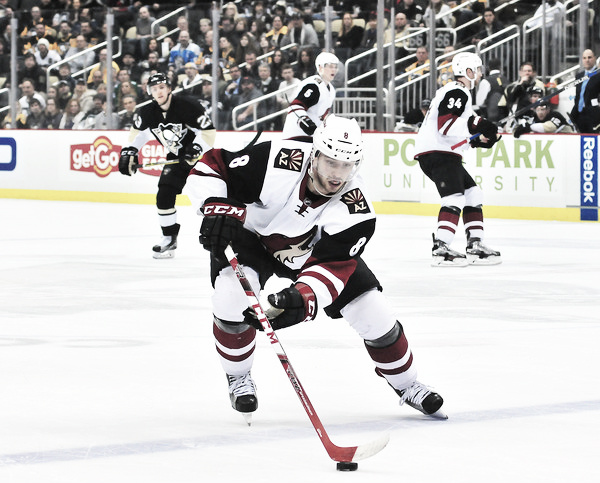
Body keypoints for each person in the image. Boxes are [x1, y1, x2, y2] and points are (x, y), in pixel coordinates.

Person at [185, 114, 446, 420]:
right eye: (331, 163)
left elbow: (333, 265)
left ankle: (407, 384)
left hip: (308, 253)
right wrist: (217, 206)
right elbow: (212, 165)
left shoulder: (356, 210)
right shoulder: (278, 158)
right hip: (250, 239)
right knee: (231, 298)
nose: (338, 174)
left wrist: (304, 298)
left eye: (347, 165)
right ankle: (238, 377)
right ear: (315, 154)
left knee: (375, 313)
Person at [414, 52, 502, 267]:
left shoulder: (458, 94)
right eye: (478, 70)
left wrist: (478, 140)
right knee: (454, 198)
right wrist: (478, 123)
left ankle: (475, 245)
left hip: (442, 153)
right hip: (438, 154)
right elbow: (445, 126)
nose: (481, 74)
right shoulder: (457, 91)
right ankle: (441, 248)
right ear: (469, 72)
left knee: (473, 194)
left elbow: (454, 133)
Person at [118, 73, 216, 259]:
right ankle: (169, 238)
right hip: (176, 158)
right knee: (164, 194)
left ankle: (223, 236)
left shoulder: (189, 106)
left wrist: (195, 148)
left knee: (209, 197)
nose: (159, 91)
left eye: (162, 87)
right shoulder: (146, 113)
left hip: (203, 157)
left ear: (169, 88)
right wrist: (129, 152)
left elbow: (209, 132)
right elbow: (137, 136)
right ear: (150, 92)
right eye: (154, 89)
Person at [282, 51, 338, 138]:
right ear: (320, 67)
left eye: (335, 67)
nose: (333, 70)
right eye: (330, 66)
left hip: (313, 137)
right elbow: (295, 107)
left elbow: (322, 115)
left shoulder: (331, 90)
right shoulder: (313, 85)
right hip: (296, 135)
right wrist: (305, 122)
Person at [569, 49, 600, 134]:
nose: (587, 60)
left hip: (593, 115)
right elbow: (578, 96)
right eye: (584, 58)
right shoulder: (579, 76)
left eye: (589, 57)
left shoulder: (598, 74)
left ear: (594, 58)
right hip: (579, 114)